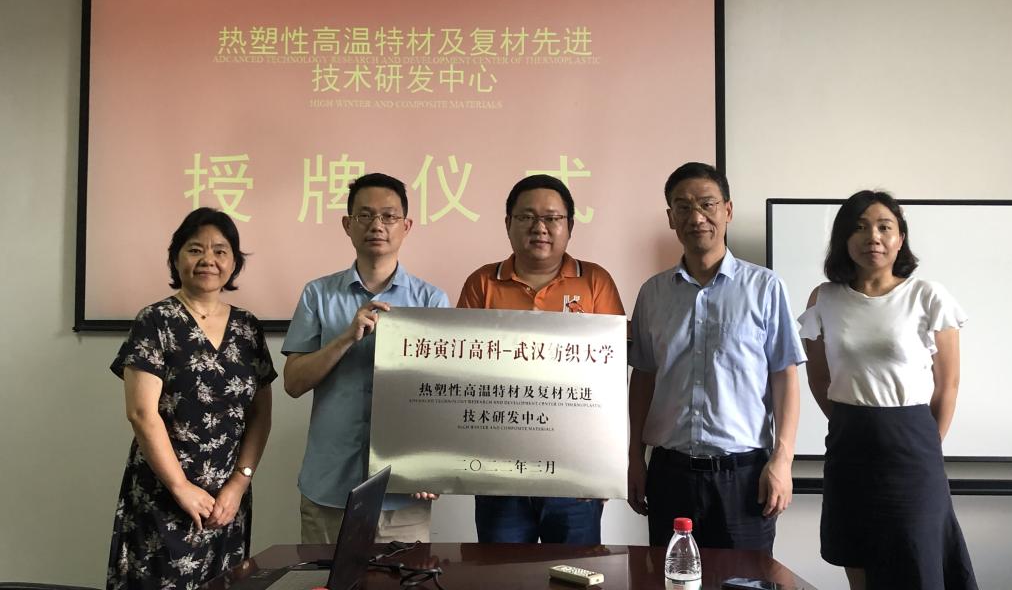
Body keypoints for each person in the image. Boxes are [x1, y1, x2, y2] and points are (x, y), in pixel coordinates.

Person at [799, 190, 978, 590]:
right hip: (849, 448)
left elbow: (947, 384)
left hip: (913, 452)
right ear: (844, 238)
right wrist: (854, 422)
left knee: (918, 563)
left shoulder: (927, 295)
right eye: (860, 227)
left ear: (900, 238)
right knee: (857, 558)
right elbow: (819, 378)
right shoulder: (825, 298)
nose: (873, 237)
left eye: (884, 227)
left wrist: (926, 441)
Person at [627, 162, 803, 551]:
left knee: (745, 578)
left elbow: (785, 376)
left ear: (728, 210)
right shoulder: (653, 294)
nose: (696, 218)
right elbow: (643, 378)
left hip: (744, 477)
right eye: (683, 207)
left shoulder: (765, 288)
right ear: (671, 217)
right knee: (671, 577)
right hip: (670, 473)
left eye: (707, 204)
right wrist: (634, 458)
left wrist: (783, 459)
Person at [107, 208, 276, 590]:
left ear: (234, 262)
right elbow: (141, 413)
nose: (208, 260)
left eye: (220, 251)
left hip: (227, 503)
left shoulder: (248, 327)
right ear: (176, 257)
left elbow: (260, 414)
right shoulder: (155, 321)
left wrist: (239, 484)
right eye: (195, 249)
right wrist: (181, 487)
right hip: (163, 496)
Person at [458, 174, 625, 544]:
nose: (540, 228)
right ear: (508, 223)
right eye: (527, 217)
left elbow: (612, 378)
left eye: (552, 218)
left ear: (570, 226)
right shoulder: (482, 283)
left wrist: (606, 467)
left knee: (572, 570)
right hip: (498, 467)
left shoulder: (595, 282)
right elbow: (462, 371)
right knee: (500, 571)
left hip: (575, 469)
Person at [282, 172, 448, 544]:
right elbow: (293, 383)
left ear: (406, 226)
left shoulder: (431, 301)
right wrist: (345, 339)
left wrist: (433, 468)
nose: (377, 225)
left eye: (389, 216)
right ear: (348, 224)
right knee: (325, 576)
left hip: (403, 493)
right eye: (365, 215)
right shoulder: (318, 294)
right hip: (329, 488)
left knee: (405, 578)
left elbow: (443, 397)